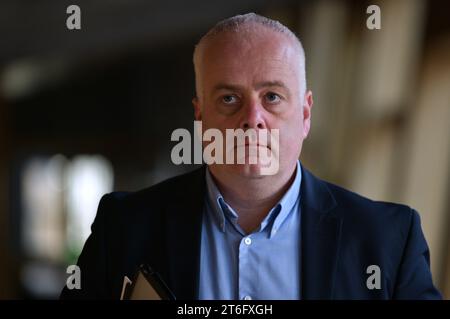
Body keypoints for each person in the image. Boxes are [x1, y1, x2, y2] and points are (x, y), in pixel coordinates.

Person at [60, 13, 441, 300]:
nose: (252, 120)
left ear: (305, 115)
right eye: (229, 99)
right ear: (200, 115)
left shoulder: (389, 239)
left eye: (272, 97)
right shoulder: (123, 230)